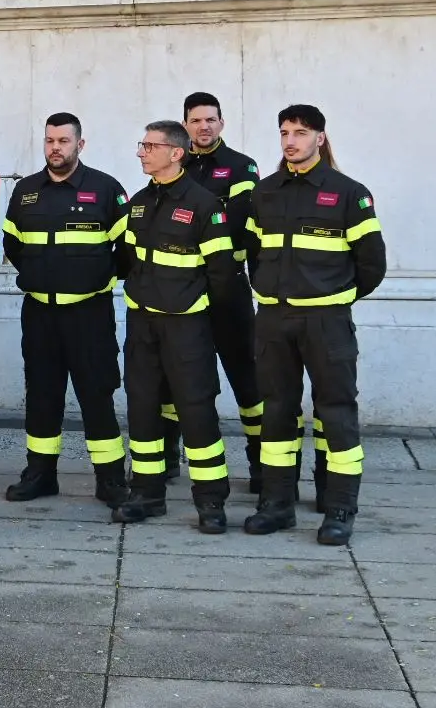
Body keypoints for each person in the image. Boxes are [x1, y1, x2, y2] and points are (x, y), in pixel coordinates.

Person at [242, 105, 385, 546]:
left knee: (336, 412)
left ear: (319, 138)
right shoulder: (264, 192)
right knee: (276, 411)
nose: (291, 141)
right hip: (274, 319)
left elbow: (372, 265)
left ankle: (340, 508)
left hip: (326, 321)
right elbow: (253, 254)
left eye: (301, 133)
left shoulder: (349, 194)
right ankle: (276, 504)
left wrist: (332, 297)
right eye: (285, 132)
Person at [114, 120, 239, 533]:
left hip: (187, 328)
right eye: (142, 144)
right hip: (142, 324)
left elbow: (222, 275)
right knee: (142, 406)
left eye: (150, 145)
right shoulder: (139, 202)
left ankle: (211, 501)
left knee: (196, 410)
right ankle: (146, 494)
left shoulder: (204, 204)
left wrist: (201, 315)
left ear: (176, 153)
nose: (141, 152)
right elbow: (127, 260)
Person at [1, 112, 130, 508]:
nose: (55, 148)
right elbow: (12, 245)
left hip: (88, 315)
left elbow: (126, 251)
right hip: (40, 314)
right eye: (50, 140)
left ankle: (110, 479)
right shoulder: (25, 191)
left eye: (63, 141)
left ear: (80, 144)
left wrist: (93, 278)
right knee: (41, 394)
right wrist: (42, 276)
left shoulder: (106, 189)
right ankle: (40, 474)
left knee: (96, 394)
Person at [180, 92, 266, 491]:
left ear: (222, 123)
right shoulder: (175, 162)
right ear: (186, 125)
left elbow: (237, 223)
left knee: (247, 377)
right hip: (183, 288)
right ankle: (166, 459)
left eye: (210, 119)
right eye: (196, 120)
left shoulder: (241, 166)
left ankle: (261, 462)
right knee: (175, 377)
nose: (204, 126)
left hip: (228, 287)